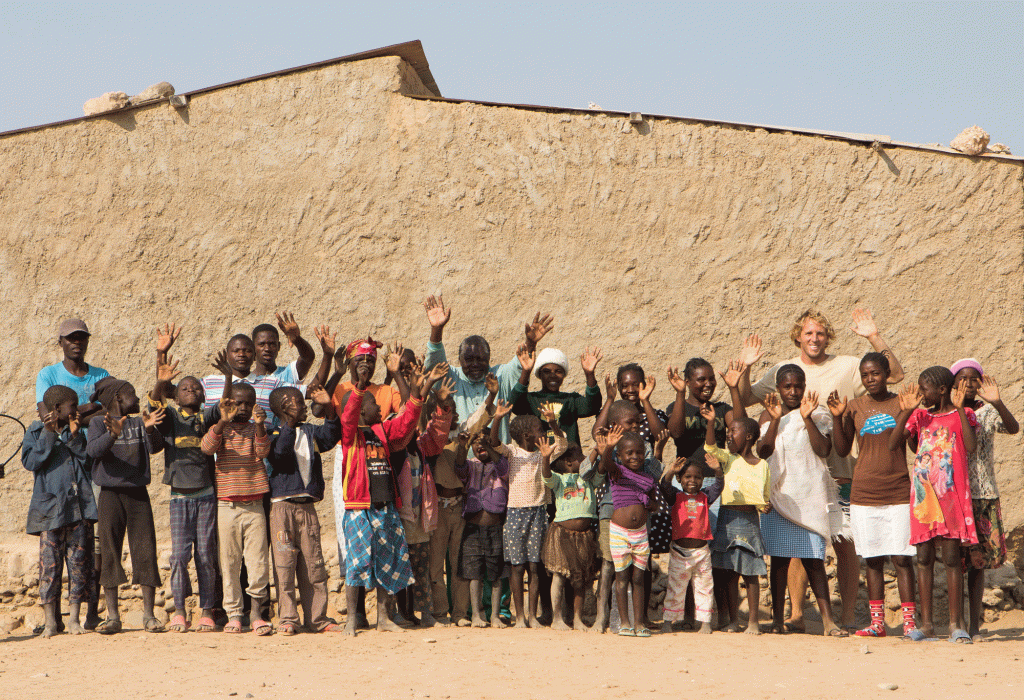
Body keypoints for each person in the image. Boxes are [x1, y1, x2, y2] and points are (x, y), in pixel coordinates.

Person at [740, 310, 905, 632]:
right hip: (798, 482)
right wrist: (745, 365)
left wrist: (873, 336)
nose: (814, 339)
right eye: (808, 333)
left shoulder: (847, 365)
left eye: (820, 334)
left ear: (828, 337)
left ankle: (843, 619)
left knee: (846, 545)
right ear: (798, 336)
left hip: (843, 470)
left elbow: (895, 375)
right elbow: (747, 397)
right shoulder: (783, 370)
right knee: (797, 546)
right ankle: (797, 614)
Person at [336, 358, 446, 635]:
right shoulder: (350, 436)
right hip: (360, 508)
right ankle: (353, 618)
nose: (380, 407)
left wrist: (421, 391)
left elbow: (407, 420)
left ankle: (383, 618)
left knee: (389, 561)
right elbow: (347, 417)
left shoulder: (381, 432)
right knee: (358, 563)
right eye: (374, 404)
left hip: (385, 508)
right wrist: (360, 388)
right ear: (361, 409)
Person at [827, 353, 917, 639]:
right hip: (864, 492)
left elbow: (913, 444)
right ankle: (877, 624)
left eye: (875, 373)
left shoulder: (900, 402)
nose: (870, 379)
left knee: (902, 559)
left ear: (886, 373)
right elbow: (842, 449)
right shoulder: (854, 406)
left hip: (899, 490)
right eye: (865, 375)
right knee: (873, 559)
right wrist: (837, 416)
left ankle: (910, 624)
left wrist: (909, 412)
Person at [757, 366, 847, 637]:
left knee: (814, 560)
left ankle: (829, 622)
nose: (793, 391)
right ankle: (776, 620)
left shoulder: (816, 413)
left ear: (805, 385)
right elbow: (763, 451)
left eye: (798, 385)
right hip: (779, 496)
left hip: (808, 496)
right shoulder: (767, 414)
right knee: (779, 562)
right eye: (787, 386)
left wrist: (806, 419)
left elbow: (823, 450)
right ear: (778, 389)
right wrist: (774, 421)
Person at [889, 367, 978, 643]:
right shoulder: (920, 416)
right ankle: (926, 626)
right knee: (924, 558)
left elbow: (971, 446)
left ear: (941, 390)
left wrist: (961, 409)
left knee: (952, 558)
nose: (920, 393)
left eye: (923, 388)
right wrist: (906, 411)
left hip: (950, 497)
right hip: (924, 496)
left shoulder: (963, 415)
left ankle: (955, 624)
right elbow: (894, 444)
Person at [149, 350, 221, 633]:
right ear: (176, 397)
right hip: (179, 497)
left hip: (205, 496)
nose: (190, 391)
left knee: (205, 554)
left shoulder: (206, 416)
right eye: (184, 388)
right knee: (179, 555)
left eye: (196, 388)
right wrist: (160, 379)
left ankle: (207, 609)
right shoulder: (170, 418)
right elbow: (155, 402)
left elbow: (224, 406)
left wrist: (226, 376)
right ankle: (179, 609)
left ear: (203, 396)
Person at [86, 377, 165, 635]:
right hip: (109, 494)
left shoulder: (140, 422)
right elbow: (94, 451)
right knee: (109, 551)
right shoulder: (99, 422)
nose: (138, 398)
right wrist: (112, 435)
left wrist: (151, 430)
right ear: (118, 398)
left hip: (137, 494)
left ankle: (149, 615)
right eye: (132, 394)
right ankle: (113, 617)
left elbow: (155, 448)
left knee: (145, 548)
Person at [951, 359, 1019, 642]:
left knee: (978, 564)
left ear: (981, 383)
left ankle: (975, 625)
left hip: (983, 493)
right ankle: (958, 624)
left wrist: (998, 402)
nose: (968, 384)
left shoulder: (987, 412)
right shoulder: (946, 412)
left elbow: (1013, 428)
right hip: (955, 495)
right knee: (956, 560)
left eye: (974, 379)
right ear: (953, 383)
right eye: (962, 379)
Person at [422, 294, 553, 443]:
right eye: (469, 359)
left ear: (489, 358)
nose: (475, 364)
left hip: (497, 462)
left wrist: (530, 343)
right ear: (459, 360)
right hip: (457, 463)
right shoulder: (451, 377)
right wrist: (436, 329)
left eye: (480, 359)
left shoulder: (500, 376)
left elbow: (521, 363)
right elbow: (434, 363)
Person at [266, 385, 343, 634]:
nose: (303, 405)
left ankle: (317, 618)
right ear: (282, 408)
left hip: (306, 508)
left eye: (303, 400)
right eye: (297, 402)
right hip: (281, 508)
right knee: (285, 564)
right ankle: (288, 618)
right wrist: (288, 424)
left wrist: (330, 409)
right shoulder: (272, 431)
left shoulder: (310, 432)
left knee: (314, 564)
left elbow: (331, 437)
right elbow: (280, 454)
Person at [22, 385, 97, 637]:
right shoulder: (35, 432)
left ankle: (74, 619)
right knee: (49, 568)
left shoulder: (75, 432)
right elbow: (32, 462)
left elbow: (88, 462)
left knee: (78, 565)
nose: (76, 410)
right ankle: (51, 623)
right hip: (50, 512)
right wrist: (48, 432)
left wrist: (75, 437)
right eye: (73, 406)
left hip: (78, 510)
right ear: (57, 409)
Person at [582, 400, 663, 633]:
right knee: (610, 569)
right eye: (631, 422)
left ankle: (636, 621)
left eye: (639, 423)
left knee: (638, 574)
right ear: (615, 425)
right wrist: (605, 448)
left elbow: (653, 477)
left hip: (639, 527)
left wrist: (656, 451)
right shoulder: (612, 454)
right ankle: (604, 618)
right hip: (612, 516)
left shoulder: (641, 450)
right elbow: (594, 471)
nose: (636, 426)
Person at [200, 383, 273, 635]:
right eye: (238, 403)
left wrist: (261, 424)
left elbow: (263, 452)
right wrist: (221, 421)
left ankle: (255, 613)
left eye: (248, 403)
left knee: (257, 562)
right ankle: (233, 614)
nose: (242, 408)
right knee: (229, 563)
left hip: (254, 506)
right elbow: (207, 448)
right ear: (229, 403)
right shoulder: (222, 429)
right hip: (226, 505)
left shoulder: (257, 428)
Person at [490, 400, 566, 628]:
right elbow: (494, 443)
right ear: (525, 435)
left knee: (535, 566)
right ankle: (520, 616)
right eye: (539, 430)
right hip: (515, 515)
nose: (543, 433)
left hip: (538, 514)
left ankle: (533, 615)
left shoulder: (545, 452)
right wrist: (497, 418)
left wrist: (553, 424)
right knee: (517, 566)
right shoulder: (513, 452)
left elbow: (562, 444)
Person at [705, 402, 772, 634]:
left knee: (752, 572)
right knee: (730, 573)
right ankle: (734, 620)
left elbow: (764, 496)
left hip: (750, 522)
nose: (729, 435)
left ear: (749, 436)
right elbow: (710, 447)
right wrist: (712, 422)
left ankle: (753, 622)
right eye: (728, 431)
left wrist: (766, 506)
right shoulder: (727, 458)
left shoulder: (762, 465)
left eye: (734, 431)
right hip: (727, 518)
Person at [396, 374, 455, 628]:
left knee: (421, 568)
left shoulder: (422, 447)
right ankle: (403, 613)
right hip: (400, 519)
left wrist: (441, 405)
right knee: (401, 569)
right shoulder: (395, 451)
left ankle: (426, 613)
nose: (413, 428)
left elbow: (438, 432)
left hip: (420, 520)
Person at [599, 426, 658, 638]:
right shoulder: (617, 472)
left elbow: (654, 505)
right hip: (619, 532)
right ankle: (625, 623)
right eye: (629, 453)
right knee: (622, 578)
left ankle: (639, 622)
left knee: (639, 579)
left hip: (640, 534)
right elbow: (605, 464)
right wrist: (608, 447)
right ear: (620, 456)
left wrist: (648, 502)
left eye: (639, 452)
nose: (635, 456)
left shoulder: (648, 478)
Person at [540, 439, 601, 632]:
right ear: (568, 463)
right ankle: (557, 618)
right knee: (558, 575)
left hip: (584, 536)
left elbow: (593, 469)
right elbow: (546, 476)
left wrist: (598, 451)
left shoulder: (589, 478)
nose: (585, 461)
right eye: (580, 459)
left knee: (580, 579)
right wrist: (545, 458)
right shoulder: (560, 479)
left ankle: (577, 618)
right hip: (561, 534)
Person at [660, 453, 724, 634]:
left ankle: (705, 623)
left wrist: (718, 470)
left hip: (702, 553)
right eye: (688, 477)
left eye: (697, 477)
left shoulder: (705, 497)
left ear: (703, 480)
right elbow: (664, 486)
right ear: (680, 479)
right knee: (675, 587)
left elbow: (719, 486)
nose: (693, 481)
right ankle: (668, 621)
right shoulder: (676, 497)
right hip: (679, 552)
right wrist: (671, 471)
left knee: (704, 587)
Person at [454, 429, 510, 628]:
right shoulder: (471, 465)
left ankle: (495, 615)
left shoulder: (502, 463)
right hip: (473, 529)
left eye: (484, 442)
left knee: (495, 575)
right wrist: (463, 446)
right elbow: (459, 467)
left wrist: (489, 446)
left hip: (495, 528)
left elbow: (503, 470)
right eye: (476, 443)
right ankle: (477, 615)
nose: (480, 446)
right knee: (473, 573)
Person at [508, 345, 603, 446]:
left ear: (564, 375)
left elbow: (593, 406)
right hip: (540, 459)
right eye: (547, 371)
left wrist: (589, 374)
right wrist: (526, 372)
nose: (553, 375)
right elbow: (515, 406)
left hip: (569, 459)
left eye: (558, 371)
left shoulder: (571, 400)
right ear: (540, 374)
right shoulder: (531, 400)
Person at [35, 318, 109, 421]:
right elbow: (47, 416)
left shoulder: (101, 375)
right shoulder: (48, 374)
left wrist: (65, 414)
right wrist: (91, 407)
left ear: (88, 341)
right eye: (71, 338)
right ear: (60, 342)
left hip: (96, 436)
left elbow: (111, 411)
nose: (77, 342)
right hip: (63, 437)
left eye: (82, 337)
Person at [251, 312, 316, 382]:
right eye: (261, 344)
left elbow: (308, 358)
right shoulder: (244, 381)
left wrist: (297, 340)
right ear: (252, 347)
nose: (267, 349)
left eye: (272, 344)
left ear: (278, 346)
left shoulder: (289, 374)